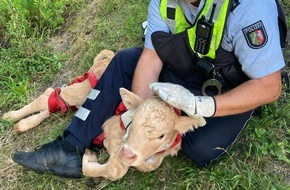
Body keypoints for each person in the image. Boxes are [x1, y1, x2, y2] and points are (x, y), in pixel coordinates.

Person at [12, 0, 286, 178]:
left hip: (229, 83)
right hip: (189, 63)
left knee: (201, 149)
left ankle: (241, 110)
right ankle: (69, 147)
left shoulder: (250, 7)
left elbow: (269, 86)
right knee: (123, 61)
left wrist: (200, 106)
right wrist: (139, 116)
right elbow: (152, 56)